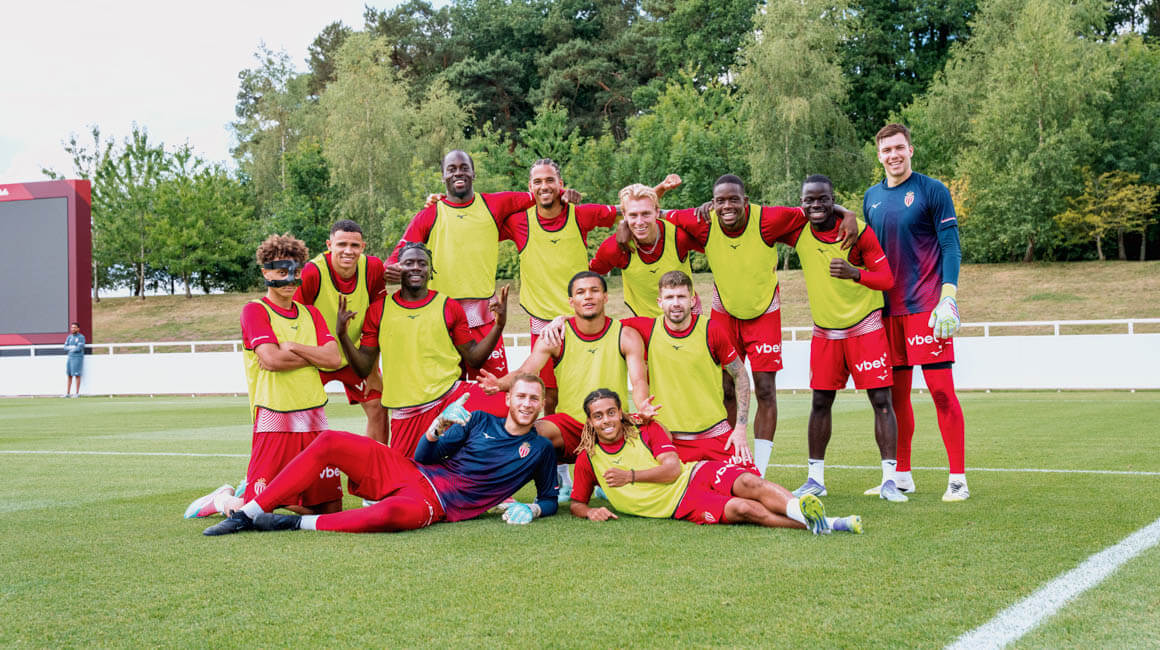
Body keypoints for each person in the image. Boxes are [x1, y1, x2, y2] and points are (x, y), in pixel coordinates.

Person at [664, 176, 858, 477]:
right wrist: (625, 223)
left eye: (733, 199)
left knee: (765, 389)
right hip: (725, 314)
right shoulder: (703, 221)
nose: (727, 206)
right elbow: (655, 213)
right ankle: (728, 463)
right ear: (712, 204)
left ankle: (759, 470)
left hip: (763, 314)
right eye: (720, 201)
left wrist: (849, 214)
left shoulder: (769, 219)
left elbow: (815, 208)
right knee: (725, 389)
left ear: (746, 200)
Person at [203, 374, 559, 535]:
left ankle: (291, 523)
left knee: (390, 516)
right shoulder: (479, 419)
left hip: (439, 505)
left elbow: (548, 498)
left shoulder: (540, 449)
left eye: (534, 398)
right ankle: (248, 513)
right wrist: (436, 428)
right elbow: (426, 456)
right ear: (507, 399)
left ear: (542, 403)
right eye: (521, 396)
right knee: (330, 441)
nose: (527, 404)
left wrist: (533, 508)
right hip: (414, 473)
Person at [386, 150, 575, 382]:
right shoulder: (428, 215)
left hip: (484, 319)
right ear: (443, 176)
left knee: (493, 391)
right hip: (442, 319)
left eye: (464, 168)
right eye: (451, 169)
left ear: (473, 173)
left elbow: (539, 193)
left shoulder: (494, 204)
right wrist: (392, 270)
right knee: (444, 392)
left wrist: (564, 193)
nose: (458, 173)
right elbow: (395, 258)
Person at [568, 389, 861, 534]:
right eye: (598, 416)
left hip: (694, 474)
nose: (606, 420)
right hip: (681, 505)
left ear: (620, 412)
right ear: (590, 421)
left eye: (611, 412)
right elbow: (577, 502)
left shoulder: (646, 429)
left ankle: (804, 511)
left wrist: (630, 476)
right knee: (745, 509)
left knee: (749, 482)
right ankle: (825, 524)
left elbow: (672, 470)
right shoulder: (588, 458)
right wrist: (589, 512)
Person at [512, 161, 679, 414]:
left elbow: (631, 208)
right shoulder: (518, 221)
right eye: (538, 181)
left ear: (561, 184)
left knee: (589, 385)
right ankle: (553, 438)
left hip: (582, 315)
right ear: (529, 186)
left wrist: (661, 189)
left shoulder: (581, 214)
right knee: (547, 394)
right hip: (543, 320)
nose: (544, 186)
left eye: (550, 181)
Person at [863, 124, 968, 502]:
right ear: (879, 156)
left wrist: (948, 296)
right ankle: (902, 476)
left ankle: (958, 479)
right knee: (896, 398)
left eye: (899, 148)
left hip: (926, 308)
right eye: (886, 150)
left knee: (941, 393)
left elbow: (951, 246)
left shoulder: (932, 190)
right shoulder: (871, 197)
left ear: (910, 150)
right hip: (886, 311)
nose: (893, 155)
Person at [479, 270, 652, 497]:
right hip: (571, 428)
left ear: (605, 297)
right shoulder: (556, 336)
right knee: (528, 432)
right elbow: (525, 371)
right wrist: (499, 384)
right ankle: (538, 488)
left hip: (611, 425)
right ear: (571, 301)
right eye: (581, 292)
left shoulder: (625, 335)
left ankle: (605, 478)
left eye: (594, 291)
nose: (588, 296)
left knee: (653, 434)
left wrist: (643, 405)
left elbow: (638, 381)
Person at [787, 175, 905, 503]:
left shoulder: (858, 231)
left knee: (881, 401)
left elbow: (887, 280)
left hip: (865, 327)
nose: (816, 205)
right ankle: (815, 480)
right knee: (820, 403)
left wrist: (856, 273)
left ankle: (890, 481)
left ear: (832, 199)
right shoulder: (797, 229)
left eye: (823, 199)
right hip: (825, 331)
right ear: (802, 202)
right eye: (809, 200)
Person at [341, 242, 510, 458]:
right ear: (398, 268)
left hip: (451, 397)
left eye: (422, 263)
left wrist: (499, 326)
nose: (416, 267)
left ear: (431, 271)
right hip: (408, 411)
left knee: (511, 404)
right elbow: (363, 368)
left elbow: (474, 358)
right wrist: (343, 336)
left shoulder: (448, 306)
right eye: (409, 263)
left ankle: (499, 473)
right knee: (407, 474)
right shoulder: (378, 310)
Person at [238, 233, 343, 515]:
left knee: (331, 510)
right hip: (275, 415)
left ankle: (283, 498)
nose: (289, 280)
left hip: (313, 415)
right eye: (282, 272)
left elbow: (334, 359)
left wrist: (294, 347)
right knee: (256, 510)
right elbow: (271, 360)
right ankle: (223, 501)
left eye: (295, 273)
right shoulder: (254, 311)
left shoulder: (311, 314)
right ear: (266, 273)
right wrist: (314, 357)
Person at [614, 270, 753, 467]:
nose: (676, 303)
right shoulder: (648, 329)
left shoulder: (711, 330)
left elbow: (740, 374)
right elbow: (601, 326)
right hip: (669, 440)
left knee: (750, 481)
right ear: (660, 302)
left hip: (715, 434)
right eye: (669, 297)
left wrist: (740, 428)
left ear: (692, 300)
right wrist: (567, 321)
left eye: (681, 296)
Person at [294, 220, 388, 443]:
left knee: (378, 405)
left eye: (354, 245)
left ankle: (374, 463)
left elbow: (378, 319)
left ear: (363, 247)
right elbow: (295, 318)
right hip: (317, 356)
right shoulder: (313, 272)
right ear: (329, 245)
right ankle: (303, 462)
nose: (348, 251)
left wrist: (373, 369)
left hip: (354, 356)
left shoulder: (373, 268)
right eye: (342, 244)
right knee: (300, 414)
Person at [589, 183, 703, 318]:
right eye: (633, 215)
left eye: (646, 214)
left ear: (657, 211)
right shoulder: (615, 247)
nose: (640, 222)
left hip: (687, 312)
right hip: (645, 319)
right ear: (624, 215)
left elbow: (714, 244)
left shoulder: (679, 236)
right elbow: (588, 274)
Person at [63, 322, 85, 397]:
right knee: (69, 375)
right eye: (72, 327)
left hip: (77, 358)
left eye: (75, 327)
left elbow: (79, 348)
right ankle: (68, 393)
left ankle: (77, 393)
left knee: (77, 375)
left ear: (78, 329)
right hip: (70, 357)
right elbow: (65, 347)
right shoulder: (69, 337)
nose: (73, 329)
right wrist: (72, 347)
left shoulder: (81, 337)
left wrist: (71, 348)